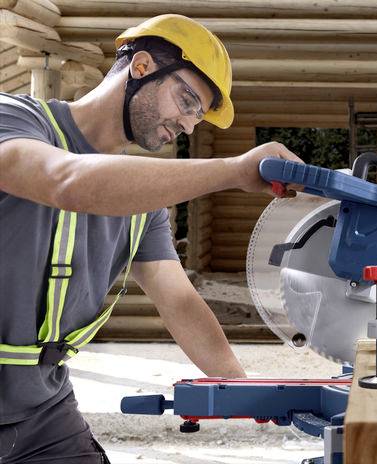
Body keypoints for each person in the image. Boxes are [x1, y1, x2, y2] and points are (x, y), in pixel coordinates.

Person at [0, 14, 302, 463]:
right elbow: (66, 181)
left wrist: (245, 388)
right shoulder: (15, 119)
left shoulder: (143, 205)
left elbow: (179, 302)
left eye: (198, 115)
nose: (189, 125)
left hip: (42, 412)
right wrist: (234, 171)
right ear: (141, 67)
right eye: (187, 101)